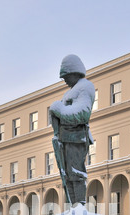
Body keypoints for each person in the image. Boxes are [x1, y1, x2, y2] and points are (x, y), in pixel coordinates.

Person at [49, 54, 95, 206]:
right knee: (67, 175)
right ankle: (73, 207)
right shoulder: (71, 91)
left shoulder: (85, 87)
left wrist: (59, 110)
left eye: (66, 76)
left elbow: (82, 114)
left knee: (76, 174)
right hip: (66, 138)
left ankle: (79, 206)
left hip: (76, 138)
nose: (65, 81)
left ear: (74, 72)